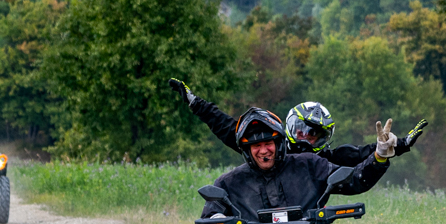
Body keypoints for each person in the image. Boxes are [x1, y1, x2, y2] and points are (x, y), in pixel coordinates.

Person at [199, 107, 399, 224]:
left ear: (279, 143)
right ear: (246, 150)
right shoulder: (229, 183)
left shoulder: (310, 164)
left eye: (268, 143)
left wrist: (379, 156)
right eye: (256, 145)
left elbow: (355, 180)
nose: (263, 150)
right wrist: (217, 221)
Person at [168, 79, 425, 164]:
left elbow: (361, 153)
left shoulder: (325, 159)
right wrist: (196, 103)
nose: (307, 138)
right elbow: (225, 126)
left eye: (315, 135)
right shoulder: (268, 147)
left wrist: (400, 144)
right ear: (291, 126)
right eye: (303, 130)